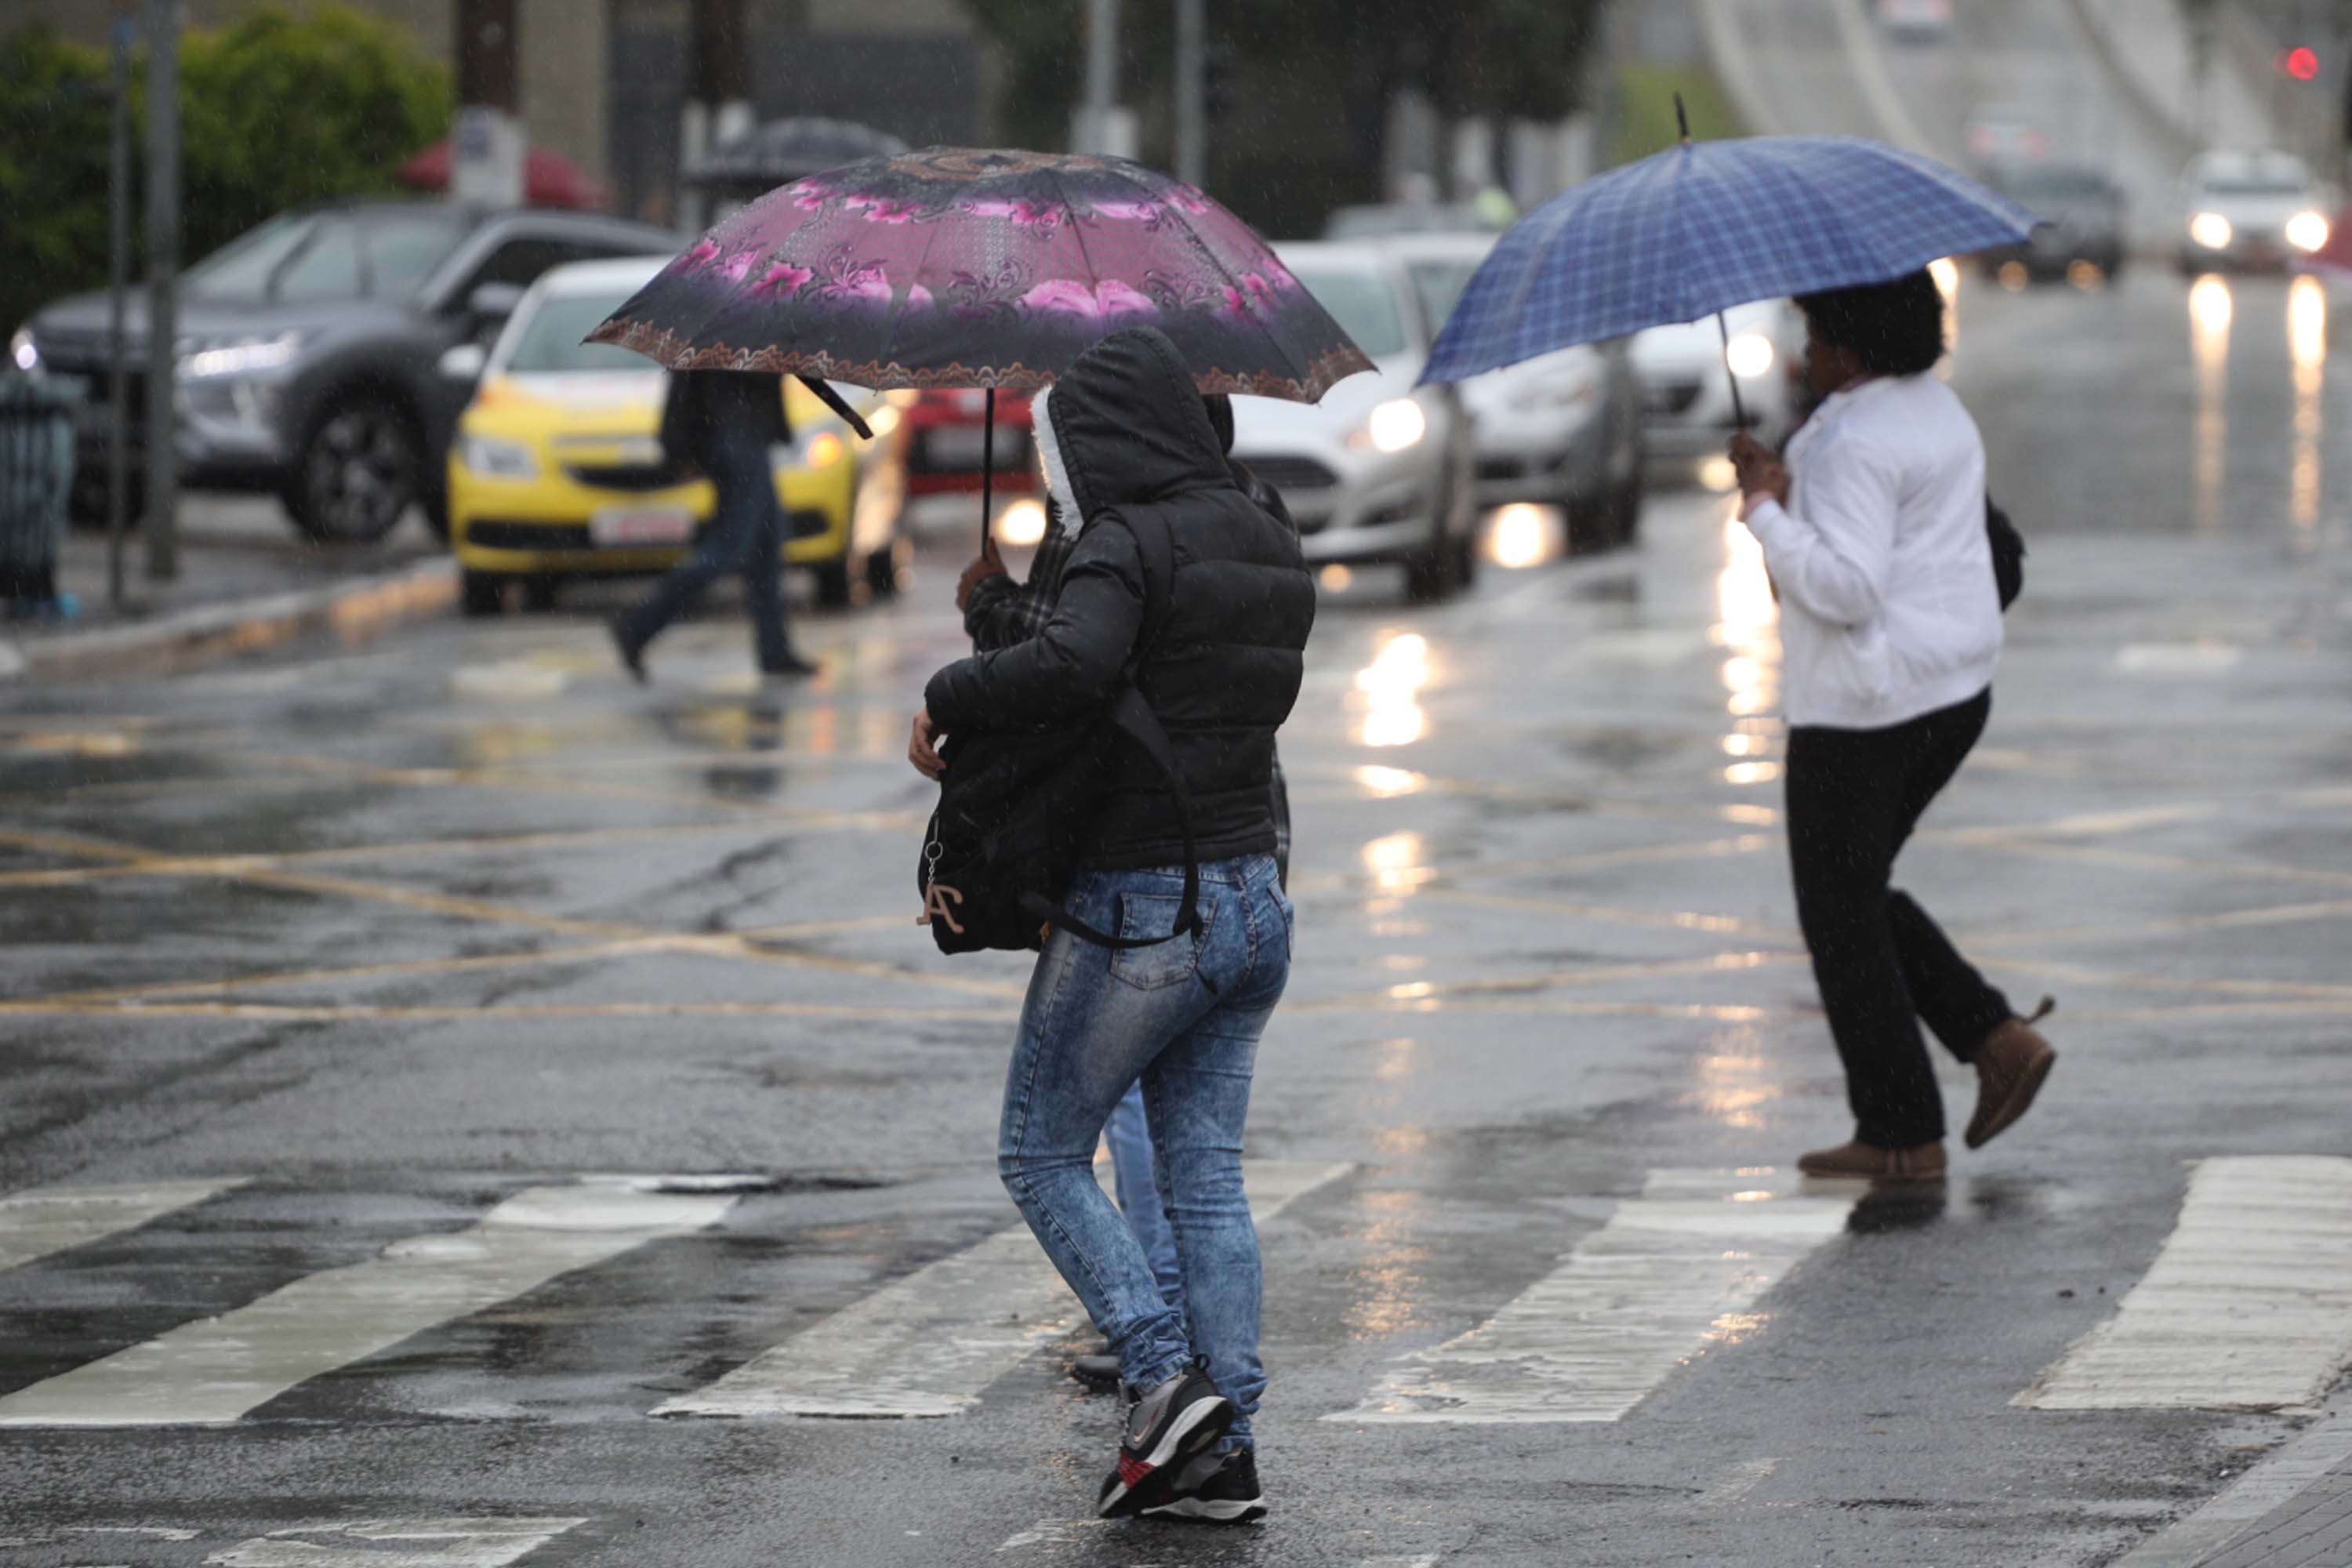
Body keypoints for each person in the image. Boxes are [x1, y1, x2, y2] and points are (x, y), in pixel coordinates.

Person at [911, 328, 1312, 1524]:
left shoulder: (1125, 543)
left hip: (1145, 905)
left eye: (1060, 448)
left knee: (1038, 1153)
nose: (1053, 473)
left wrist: (948, 688)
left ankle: (1158, 1372)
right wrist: (1010, 607)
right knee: (1204, 1178)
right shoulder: (1265, 532)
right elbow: (1158, 678)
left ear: (1103, 440)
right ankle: (1221, 1443)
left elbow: (1078, 664)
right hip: (1253, 895)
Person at [1728, 268, 2056, 1182]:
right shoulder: (1934, 409)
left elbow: (1847, 586)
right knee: (1855, 891)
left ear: (1849, 343)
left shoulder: (1853, 441)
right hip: (1951, 686)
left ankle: (1903, 1130)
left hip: (1868, 707)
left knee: (1839, 910)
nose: (1803, 350)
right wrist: (1789, 502)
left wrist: (1762, 509)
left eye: (1814, 331)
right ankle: (1994, 1042)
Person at [610, 368, 817, 682]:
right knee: (729, 548)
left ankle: (775, 650)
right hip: (736, 439)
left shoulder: (740, 325)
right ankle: (638, 625)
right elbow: (729, 378)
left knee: (766, 546)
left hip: (745, 436)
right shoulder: (744, 328)